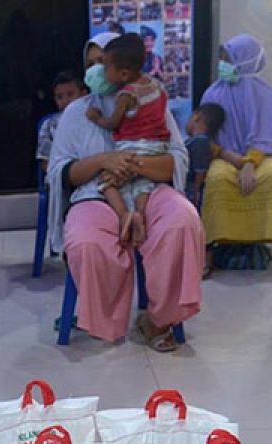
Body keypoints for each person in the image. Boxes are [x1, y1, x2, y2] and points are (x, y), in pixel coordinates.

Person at [46, 31, 203, 353]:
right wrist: (105, 160)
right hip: (95, 195)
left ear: (124, 68)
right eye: (89, 65)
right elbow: (62, 171)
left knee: (182, 222)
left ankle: (159, 319)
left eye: (102, 63)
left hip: (150, 188)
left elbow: (174, 161)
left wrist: (133, 164)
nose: (95, 72)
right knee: (87, 242)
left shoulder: (151, 101)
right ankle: (106, 321)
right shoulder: (77, 112)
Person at [200, 34, 272, 279]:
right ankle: (207, 254)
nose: (222, 64)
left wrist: (250, 163)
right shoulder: (213, 93)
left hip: (262, 156)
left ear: (244, 60)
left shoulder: (267, 94)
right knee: (218, 180)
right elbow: (203, 133)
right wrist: (228, 156)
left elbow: (266, 134)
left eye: (227, 58)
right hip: (224, 155)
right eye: (221, 58)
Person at [86, 33, 171, 247]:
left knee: (106, 182)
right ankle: (141, 215)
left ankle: (124, 215)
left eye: (105, 67)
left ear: (124, 74)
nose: (101, 72)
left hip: (134, 147)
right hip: (157, 147)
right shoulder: (156, 86)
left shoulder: (125, 94)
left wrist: (96, 117)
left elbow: (114, 123)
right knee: (143, 183)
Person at [37, 71, 87, 178]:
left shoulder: (94, 119)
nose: (65, 101)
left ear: (84, 94)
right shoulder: (49, 125)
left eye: (70, 94)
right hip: (62, 180)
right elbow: (45, 162)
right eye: (59, 97)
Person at [185, 102, 225, 208]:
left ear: (196, 116)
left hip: (189, 191)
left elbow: (200, 168)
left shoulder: (200, 141)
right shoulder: (196, 141)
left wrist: (196, 191)